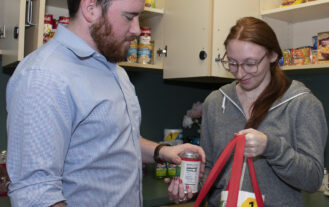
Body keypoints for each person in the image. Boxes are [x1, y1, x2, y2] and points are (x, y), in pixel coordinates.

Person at [5, 0, 205, 206]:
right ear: (90, 8)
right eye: (129, 17)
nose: (137, 29)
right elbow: (36, 193)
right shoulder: (44, 76)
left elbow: (116, 139)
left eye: (140, 18)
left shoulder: (116, 71)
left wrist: (162, 152)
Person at [199, 17, 328, 206]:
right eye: (232, 62)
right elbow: (209, 168)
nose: (240, 73)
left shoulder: (302, 104)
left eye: (250, 63)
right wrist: (189, 184)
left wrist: (271, 147)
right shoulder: (215, 102)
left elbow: (313, 179)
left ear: (273, 56)